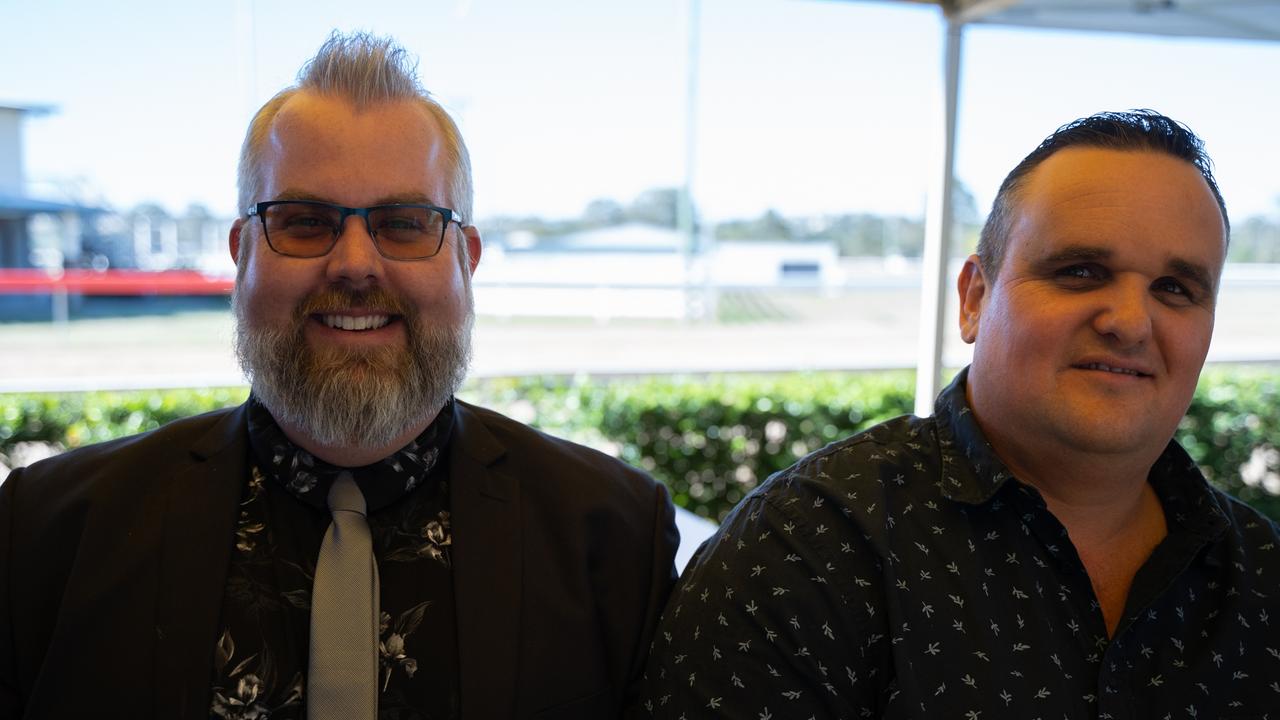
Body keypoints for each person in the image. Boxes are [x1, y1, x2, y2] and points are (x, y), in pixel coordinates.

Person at [0, 32, 679, 719]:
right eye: (303, 222)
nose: (355, 265)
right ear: (242, 258)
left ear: (466, 262)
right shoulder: (50, 533)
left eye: (405, 223)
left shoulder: (615, 539)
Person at [632, 110, 1280, 718]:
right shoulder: (805, 550)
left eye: (1175, 289)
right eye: (1081, 271)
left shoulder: (1261, 571)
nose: (1131, 322)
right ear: (973, 298)